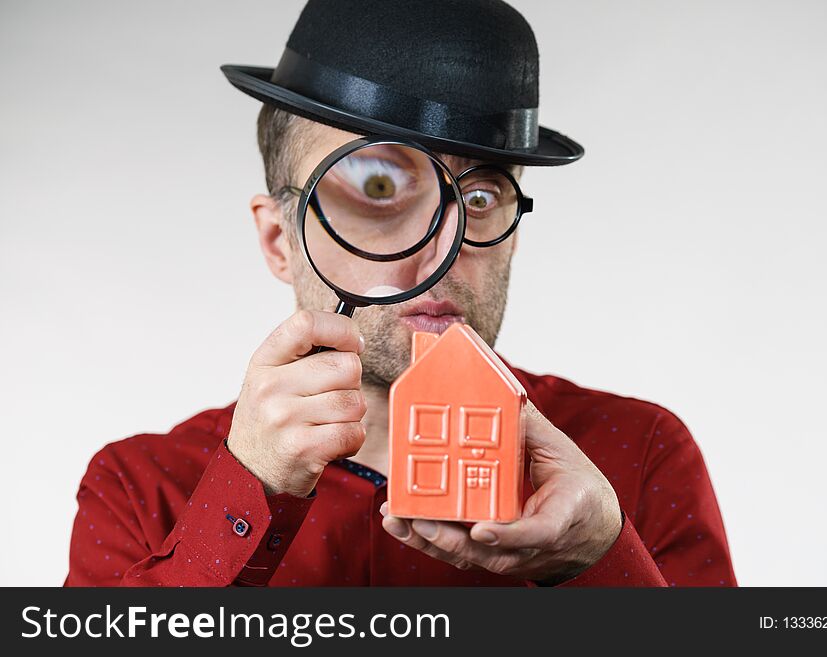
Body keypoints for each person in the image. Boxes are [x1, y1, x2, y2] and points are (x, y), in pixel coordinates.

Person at [65, 0, 736, 587]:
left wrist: (596, 559)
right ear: (279, 239)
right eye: (379, 186)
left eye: (478, 195)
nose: (442, 251)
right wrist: (245, 497)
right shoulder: (140, 487)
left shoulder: (639, 458)